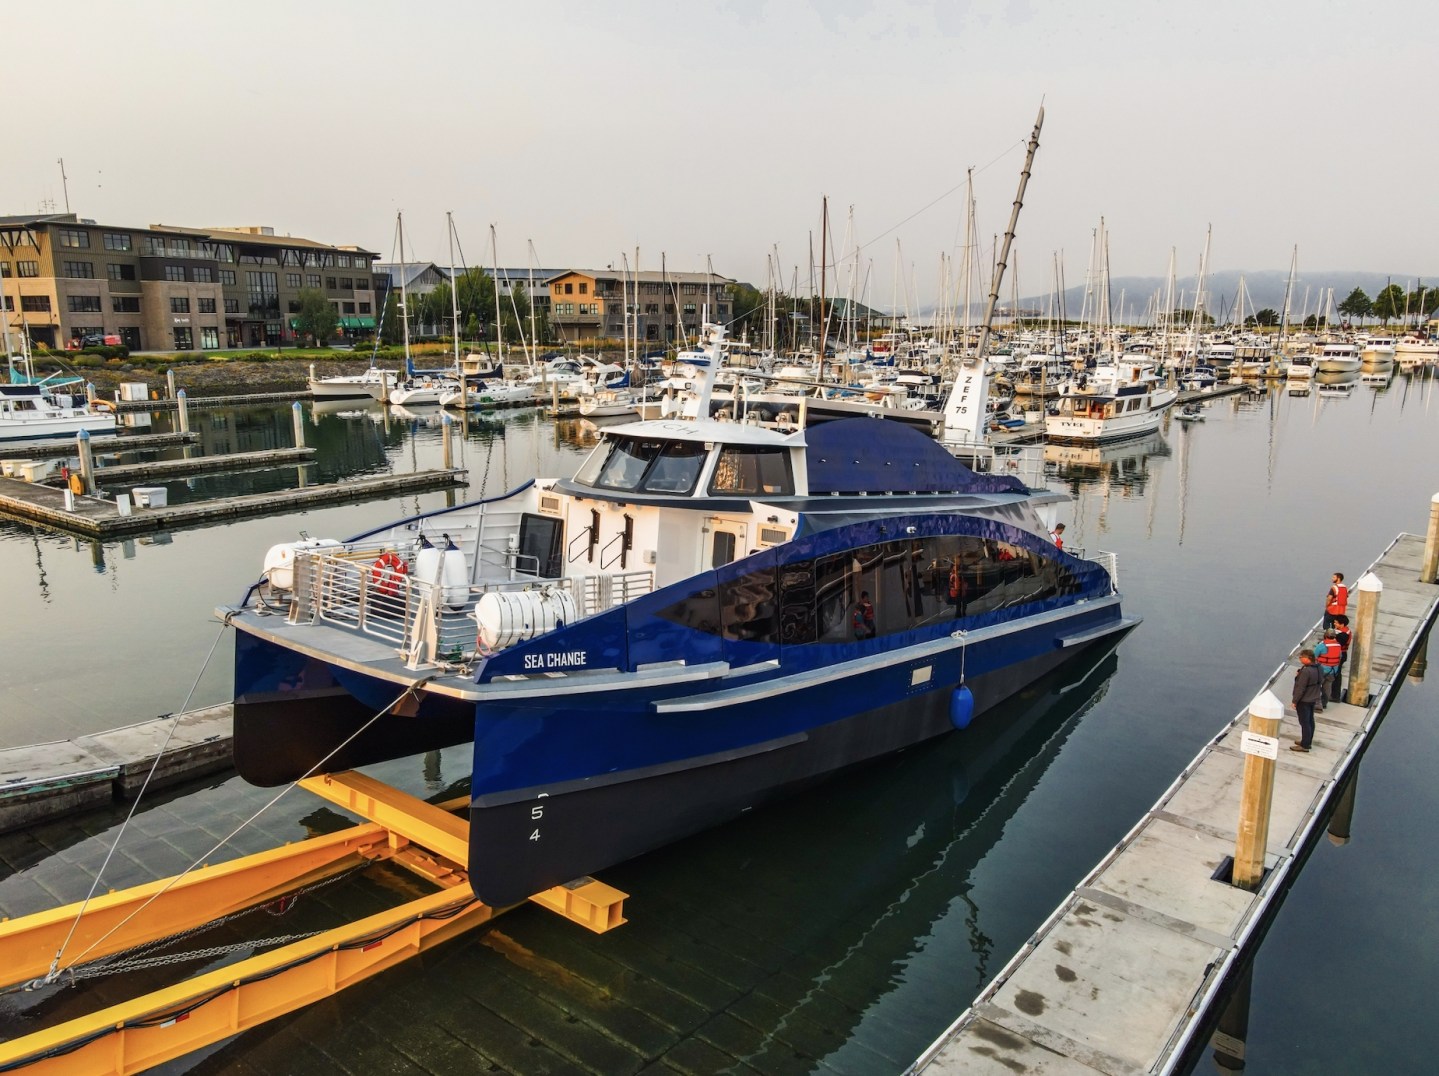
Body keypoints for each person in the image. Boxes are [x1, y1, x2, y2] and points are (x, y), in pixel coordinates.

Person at [1291, 648, 1324, 752]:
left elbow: (1301, 688)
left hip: (1304, 700)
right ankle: (1307, 741)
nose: (1300, 659)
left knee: (1304, 722)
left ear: (1307, 658)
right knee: (1310, 721)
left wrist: (1295, 701)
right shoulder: (1319, 668)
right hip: (1313, 698)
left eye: (1301, 657)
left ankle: (1305, 745)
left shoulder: (1306, 671)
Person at [1314, 629, 1342, 707]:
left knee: (1316, 687)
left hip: (1321, 670)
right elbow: (1340, 657)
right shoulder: (1338, 646)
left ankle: (1317, 704)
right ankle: (1324, 704)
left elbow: (1314, 656)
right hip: (1333, 671)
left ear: (1325, 636)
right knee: (1327, 688)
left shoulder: (1321, 646)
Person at [1330, 614, 1352, 702]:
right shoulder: (1340, 631)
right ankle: (1333, 694)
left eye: (1336, 623)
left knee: (1336, 675)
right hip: (1338, 654)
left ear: (1342, 624)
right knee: (1335, 674)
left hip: (1340, 655)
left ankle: (1335, 696)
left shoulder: (1343, 635)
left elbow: (1336, 644)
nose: (1334, 624)